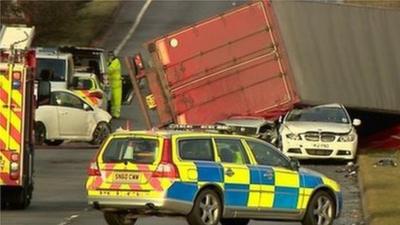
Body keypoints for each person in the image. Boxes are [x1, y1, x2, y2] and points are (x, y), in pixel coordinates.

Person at [107, 50, 122, 118]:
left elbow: (110, 70)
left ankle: (116, 114)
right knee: (112, 100)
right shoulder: (109, 62)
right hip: (110, 84)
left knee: (116, 100)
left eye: (111, 56)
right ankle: (112, 113)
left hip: (116, 84)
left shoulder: (116, 61)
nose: (110, 57)